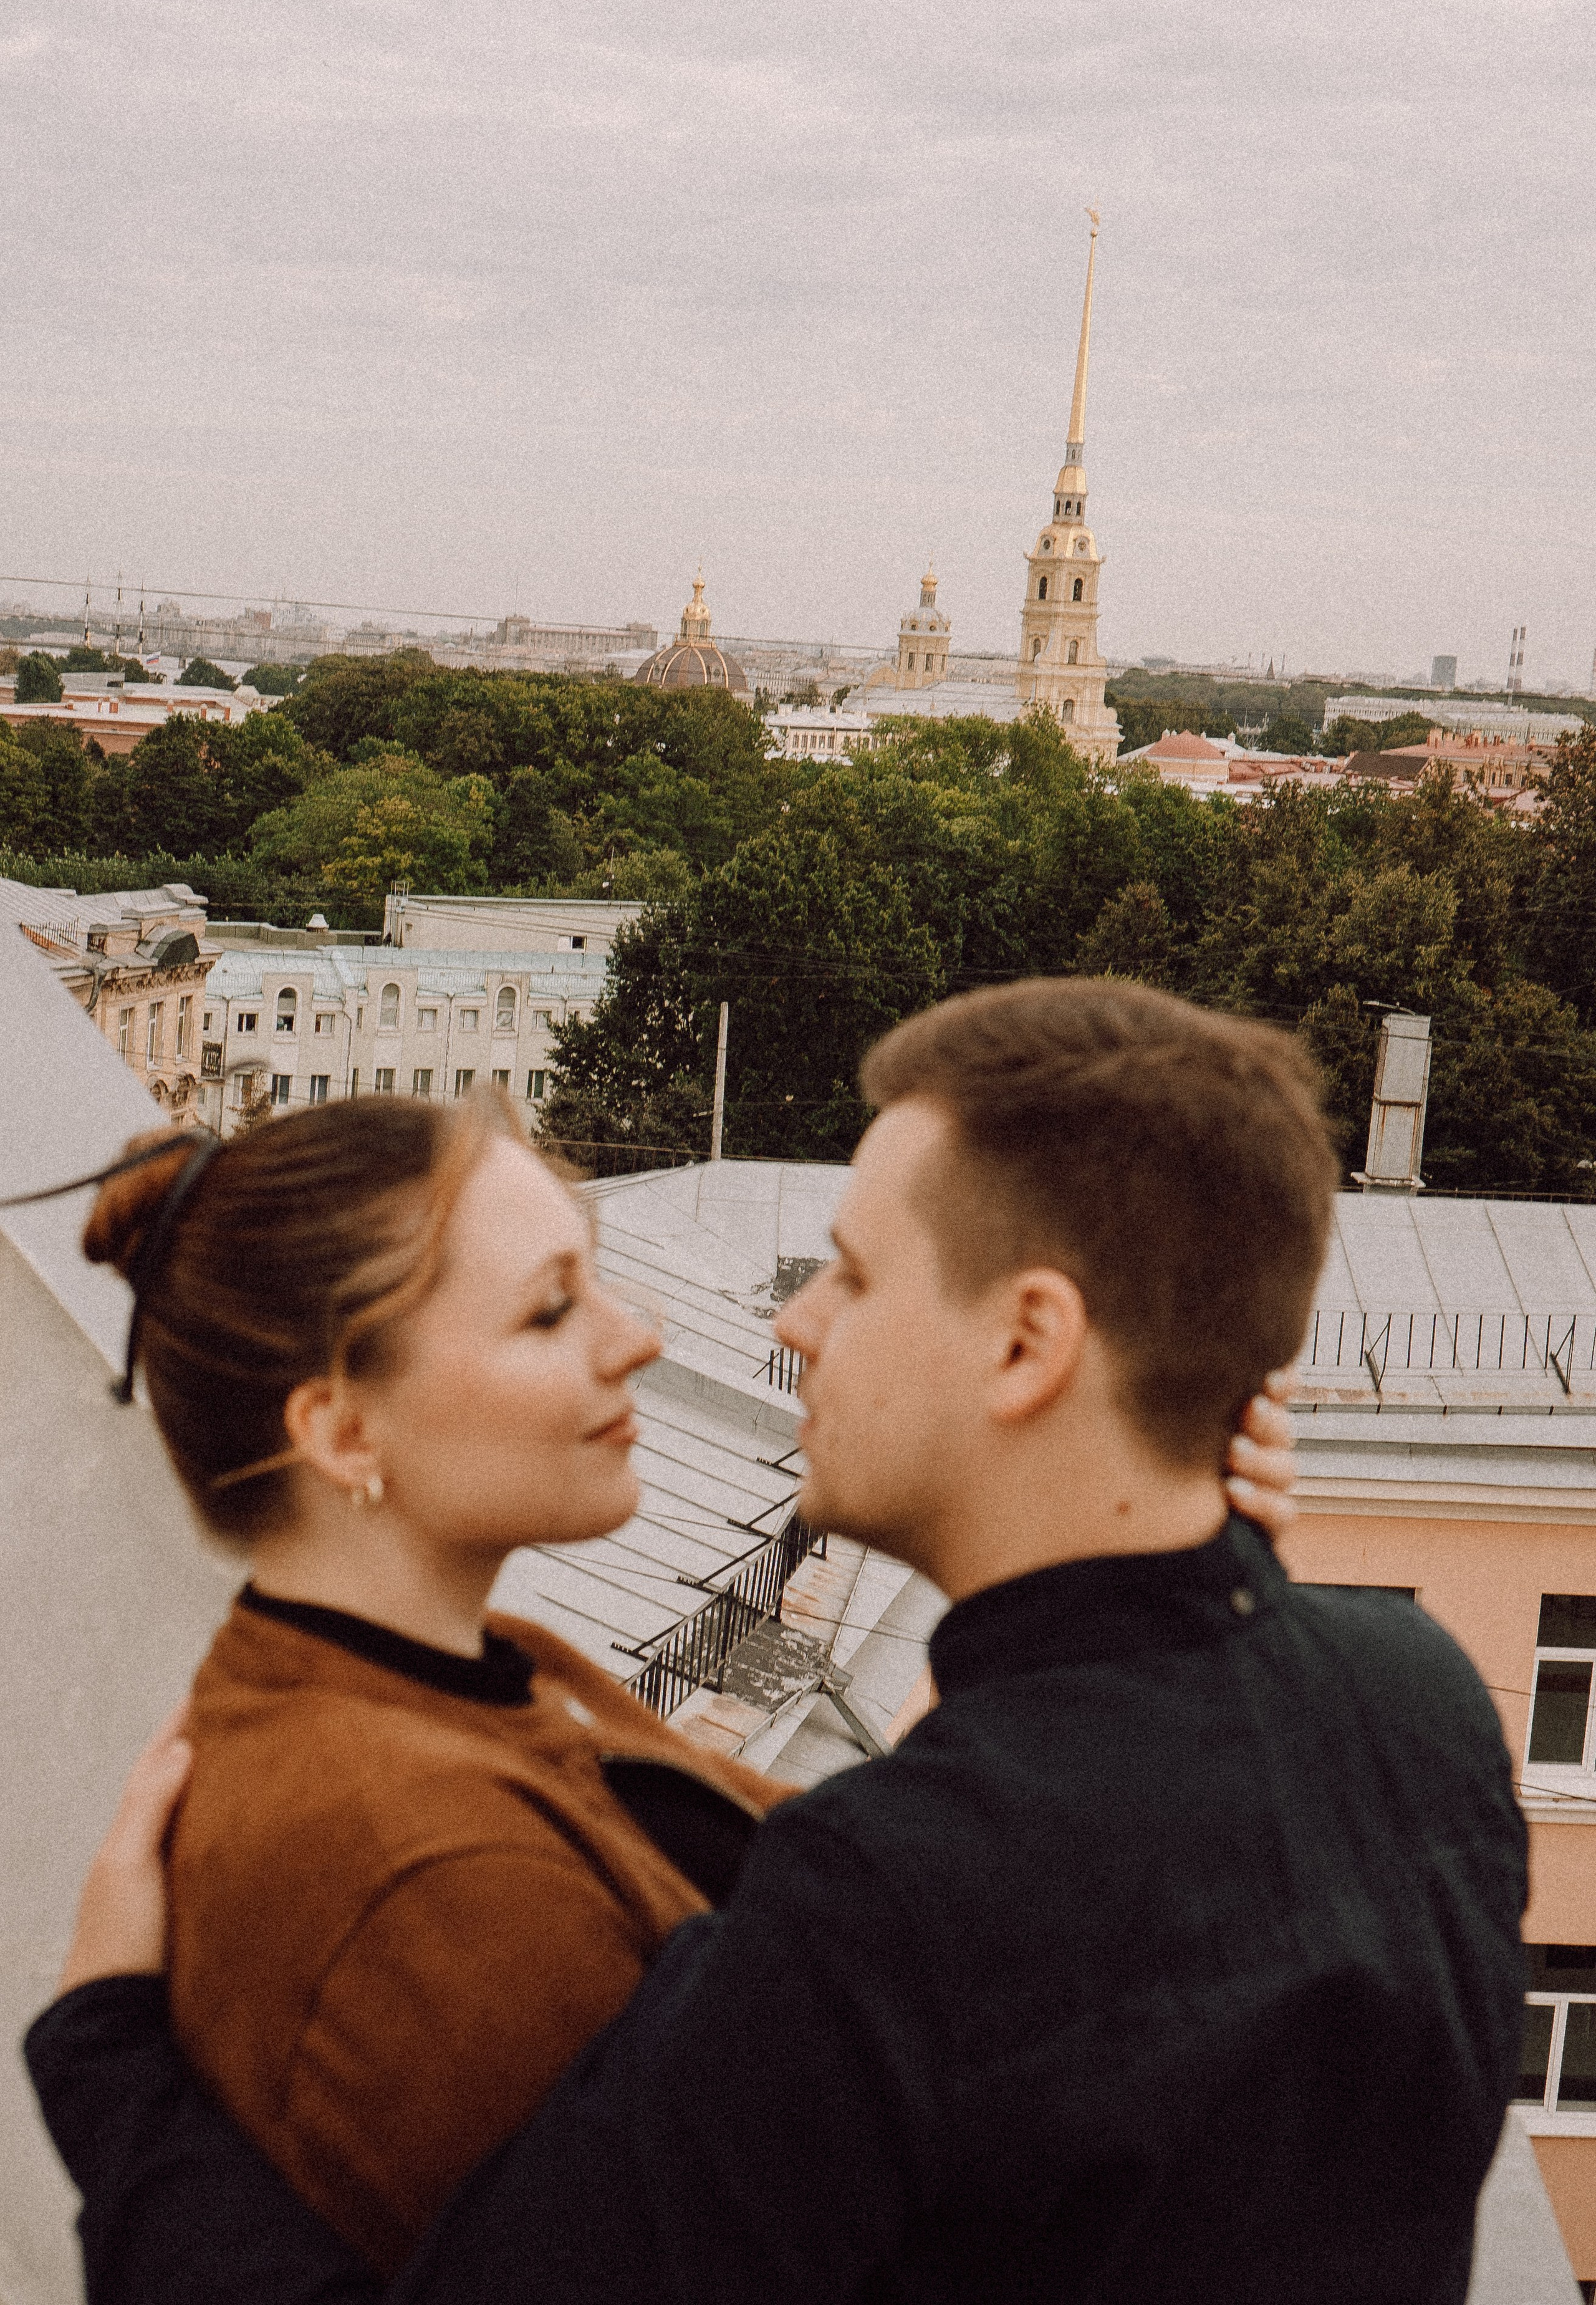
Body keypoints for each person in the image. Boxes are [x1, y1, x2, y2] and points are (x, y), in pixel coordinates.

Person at [26, 979, 1527, 2305]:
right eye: (555, 1306)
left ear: (1026, 1344)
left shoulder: (890, 1902)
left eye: (854, 1275)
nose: (792, 1323)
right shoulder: (1421, 1700)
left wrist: (110, 2071)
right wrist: (1200, 1591)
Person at [32, 1090, 800, 2271]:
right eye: (552, 1312)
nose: (637, 1336)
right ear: (343, 1436)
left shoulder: (449, 1678)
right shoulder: (430, 1869)